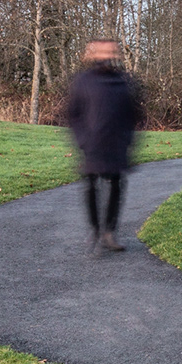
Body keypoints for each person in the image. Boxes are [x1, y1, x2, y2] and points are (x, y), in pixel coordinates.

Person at [63, 38, 144, 253]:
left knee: (116, 185)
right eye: (103, 52)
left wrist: (128, 139)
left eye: (111, 52)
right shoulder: (83, 81)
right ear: (95, 55)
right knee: (91, 185)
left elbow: (134, 114)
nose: (107, 56)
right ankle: (95, 229)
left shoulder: (123, 81)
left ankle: (109, 232)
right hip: (92, 144)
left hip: (117, 143)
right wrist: (83, 139)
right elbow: (73, 114)